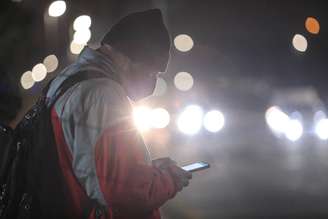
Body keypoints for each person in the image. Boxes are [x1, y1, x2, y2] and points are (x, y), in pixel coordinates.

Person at [46, 9, 192, 219]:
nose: (152, 82)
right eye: (152, 72)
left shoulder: (69, 80)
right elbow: (125, 193)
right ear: (129, 57)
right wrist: (168, 179)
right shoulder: (103, 96)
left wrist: (148, 172)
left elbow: (93, 169)